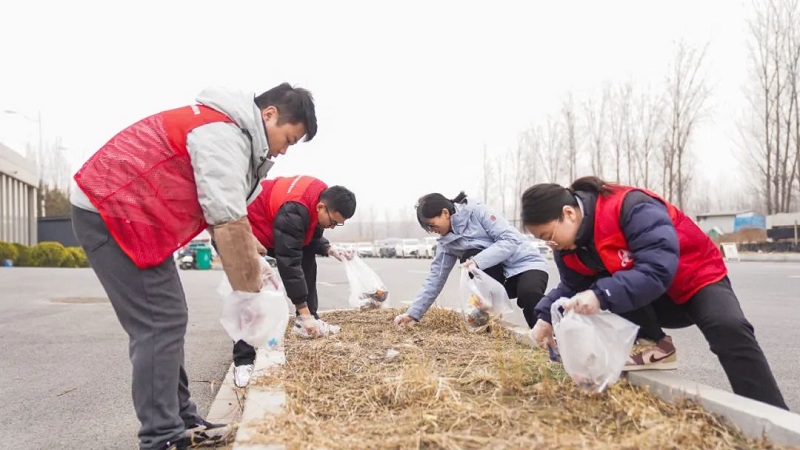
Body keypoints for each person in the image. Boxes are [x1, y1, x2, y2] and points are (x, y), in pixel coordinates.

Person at [70, 83, 318, 449]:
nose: (283, 150)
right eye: (288, 139)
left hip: (133, 214)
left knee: (169, 318)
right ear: (269, 115)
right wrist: (251, 295)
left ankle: (182, 421)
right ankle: (161, 436)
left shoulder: (230, 132)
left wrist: (256, 261)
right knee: (159, 322)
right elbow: (227, 221)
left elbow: (225, 213)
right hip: (111, 210)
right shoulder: (223, 136)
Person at [521, 176, 788, 410]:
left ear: (568, 213)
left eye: (548, 235)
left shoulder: (630, 207)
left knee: (728, 328)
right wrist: (545, 317)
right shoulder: (568, 247)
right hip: (653, 298)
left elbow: (657, 267)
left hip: (696, 277)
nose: (550, 244)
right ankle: (654, 343)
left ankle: (772, 413)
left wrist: (600, 295)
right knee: (599, 287)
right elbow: (571, 285)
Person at [228, 176, 356, 388]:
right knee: (248, 292)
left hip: (274, 230)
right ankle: (243, 360)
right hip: (246, 232)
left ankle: (306, 323)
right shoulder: (295, 210)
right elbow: (288, 261)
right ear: (321, 206)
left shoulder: (318, 198)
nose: (332, 227)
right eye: (333, 222)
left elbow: (309, 235)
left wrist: (327, 248)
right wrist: (302, 308)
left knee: (307, 257)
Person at [394, 192, 549, 328]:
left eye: (432, 225)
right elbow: (435, 279)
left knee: (529, 293)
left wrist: (478, 261)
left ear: (445, 213)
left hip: (526, 264)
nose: (432, 231)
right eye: (428, 228)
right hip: (500, 279)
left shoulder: (477, 211)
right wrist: (412, 314)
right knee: (469, 256)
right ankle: (485, 310)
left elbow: (510, 240)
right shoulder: (446, 244)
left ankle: (548, 337)